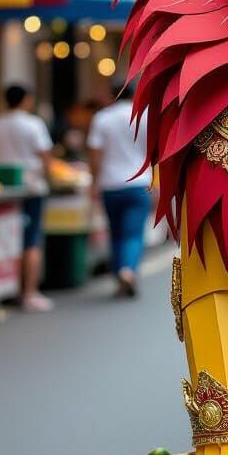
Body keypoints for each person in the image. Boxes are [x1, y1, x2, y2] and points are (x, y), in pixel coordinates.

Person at [0, 84, 55, 312]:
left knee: (3, 240)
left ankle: (4, 291)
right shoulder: (33, 124)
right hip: (32, 187)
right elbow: (46, 156)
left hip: (3, 190)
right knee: (31, 240)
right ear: (26, 100)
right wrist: (51, 178)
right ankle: (29, 293)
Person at [87, 82, 152, 298]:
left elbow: (95, 154)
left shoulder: (102, 118)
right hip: (139, 182)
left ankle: (119, 275)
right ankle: (128, 269)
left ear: (111, 94)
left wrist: (94, 181)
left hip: (110, 183)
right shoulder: (145, 116)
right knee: (133, 233)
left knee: (115, 232)